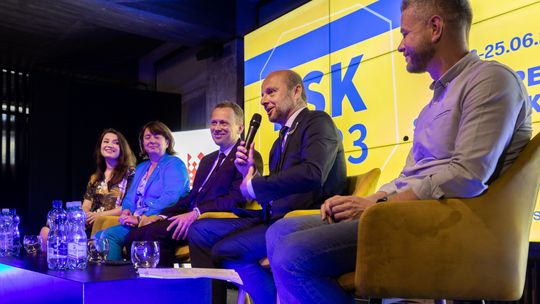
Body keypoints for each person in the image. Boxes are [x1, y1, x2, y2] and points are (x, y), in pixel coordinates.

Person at [266, 0, 533, 303]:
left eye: (405, 33)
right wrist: (369, 200)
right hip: (406, 213)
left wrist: (381, 207)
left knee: (293, 254)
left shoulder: (490, 79)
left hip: (444, 224)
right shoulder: (434, 102)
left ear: (435, 28)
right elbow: (410, 176)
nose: (399, 46)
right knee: (279, 232)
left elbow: (467, 175)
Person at [188, 70, 347, 304]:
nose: (263, 100)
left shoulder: (317, 121)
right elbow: (273, 192)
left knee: (225, 250)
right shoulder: (277, 143)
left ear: (296, 91)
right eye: (262, 95)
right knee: (201, 230)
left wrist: (255, 186)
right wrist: (249, 175)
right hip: (271, 216)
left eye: (271, 92)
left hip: (303, 218)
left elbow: (314, 173)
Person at [124, 102, 263, 266]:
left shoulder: (247, 157)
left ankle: (166, 288)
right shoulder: (207, 160)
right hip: (191, 217)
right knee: (133, 236)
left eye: (224, 123)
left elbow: (237, 198)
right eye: (214, 122)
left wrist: (197, 212)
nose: (217, 128)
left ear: (240, 128)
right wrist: (161, 215)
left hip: (215, 220)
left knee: (155, 235)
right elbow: (192, 196)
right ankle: (142, 287)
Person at [95, 121, 190, 260]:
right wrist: (127, 210)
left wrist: (140, 217)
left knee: (109, 237)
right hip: (136, 220)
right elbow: (130, 197)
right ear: (142, 144)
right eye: (147, 137)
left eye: (157, 137)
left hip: (157, 220)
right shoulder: (141, 167)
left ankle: (115, 280)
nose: (151, 140)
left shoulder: (174, 164)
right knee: (97, 236)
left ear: (167, 142)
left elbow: (171, 197)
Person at [39, 128, 136, 246]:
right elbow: (86, 205)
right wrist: (84, 215)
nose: (109, 145)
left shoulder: (131, 174)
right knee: (46, 230)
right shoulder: (95, 177)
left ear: (122, 149)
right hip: (89, 221)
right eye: (106, 141)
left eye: (115, 143)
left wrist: (98, 215)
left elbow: (128, 206)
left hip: (108, 220)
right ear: (100, 147)